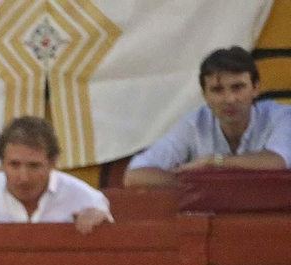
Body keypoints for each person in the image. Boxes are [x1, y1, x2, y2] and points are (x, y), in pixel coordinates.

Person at [125, 46, 291, 187]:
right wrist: (194, 182)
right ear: (205, 95)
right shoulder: (194, 123)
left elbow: (276, 162)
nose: (230, 99)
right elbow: (135, 175)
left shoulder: (281, 116)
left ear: (256, 88)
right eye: (217, 90)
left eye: (238, 87)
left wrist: (212, 162)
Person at [0, 116, 112, 233]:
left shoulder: (86, 198)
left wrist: (101, 225)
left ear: (52, 163)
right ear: (1, 163)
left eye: (34, 166)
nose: (24, 177)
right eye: (14, 165)